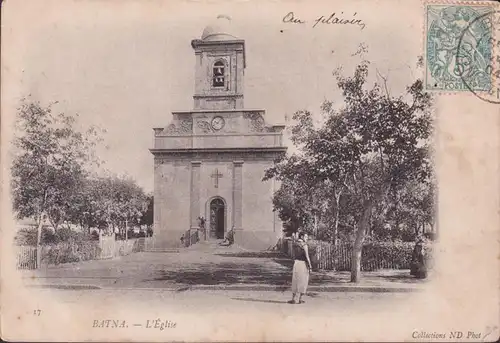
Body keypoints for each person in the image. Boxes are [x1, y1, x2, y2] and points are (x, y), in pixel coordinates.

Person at [289, 232, 312, 304]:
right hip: (303, 264)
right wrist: (310, 266)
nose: (307, 238)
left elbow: (293, 255)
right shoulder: (304, 245)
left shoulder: (295, 244)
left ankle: (293, 299)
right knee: (303, 281)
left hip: (296, 263)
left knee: (295, 280)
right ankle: (299, 299)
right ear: (301, 237)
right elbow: (307, 257)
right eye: (305, 237)